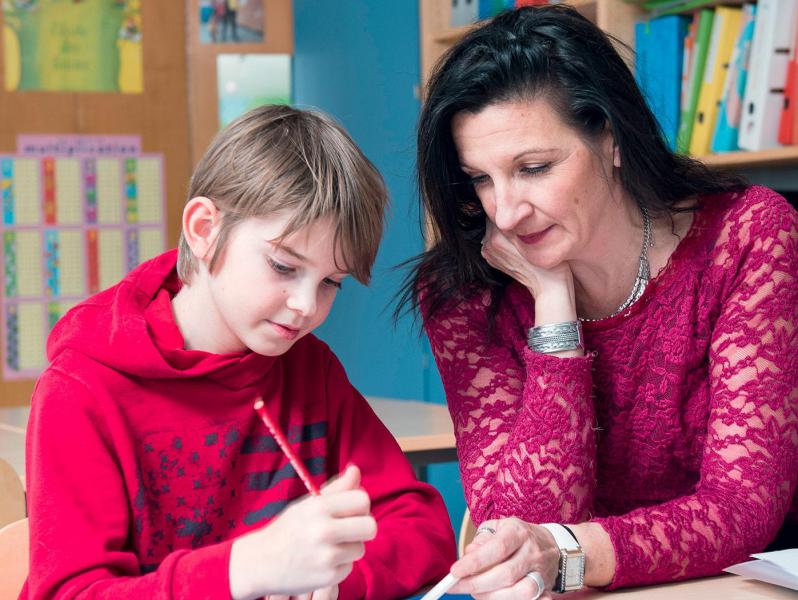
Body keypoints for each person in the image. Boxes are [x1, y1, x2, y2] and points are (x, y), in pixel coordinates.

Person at [402, 5, 798, 599]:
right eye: (480, 179)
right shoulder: (464, 293)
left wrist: (564, 552)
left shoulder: (746, 236)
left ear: (610, 138)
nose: (505, 213)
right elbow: (521, 528)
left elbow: (740, 509)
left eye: (533, 168)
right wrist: (553, 306)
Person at [24, 105, 456, 599]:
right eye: (282, 266)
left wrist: (333, 583)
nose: (305, 306)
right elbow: (69, 593)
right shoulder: (82, 389)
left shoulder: (309, 368)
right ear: (205, 230)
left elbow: (422, 530)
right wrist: (241, 570)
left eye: (331, 282)